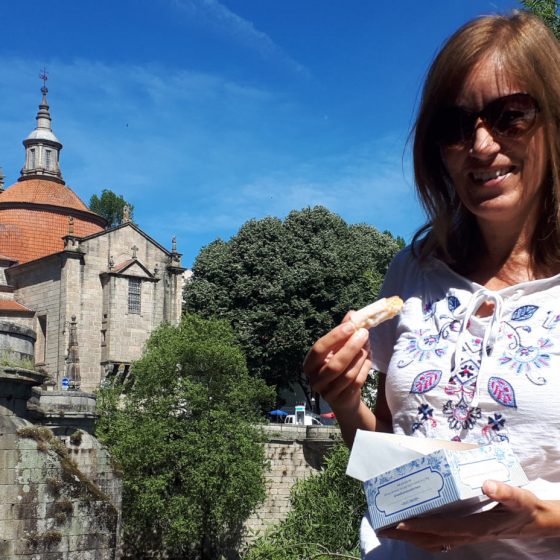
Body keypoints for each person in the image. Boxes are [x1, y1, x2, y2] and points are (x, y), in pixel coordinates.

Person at [303, 10, 560, 559]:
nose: (481, 145)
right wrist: (347, 402)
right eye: (454, 126)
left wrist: (542, 518)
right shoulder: (412, 271)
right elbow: (392, 464)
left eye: (510, 115)